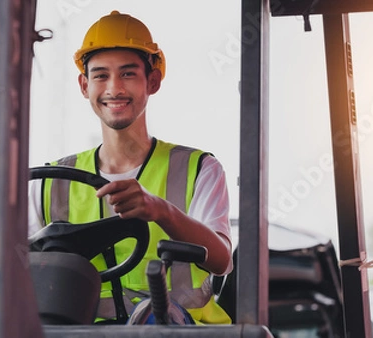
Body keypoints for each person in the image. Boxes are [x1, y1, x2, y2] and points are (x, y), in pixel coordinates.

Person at [28, 10, 233, 325]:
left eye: (127, 74)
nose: (114, 89)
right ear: (84, 85)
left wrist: (160, 210)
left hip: (176, 332)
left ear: (152, 81)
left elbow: (220, 260)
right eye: (100, 75)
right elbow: (16, 270)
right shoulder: (48, 183)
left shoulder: (198, 169)